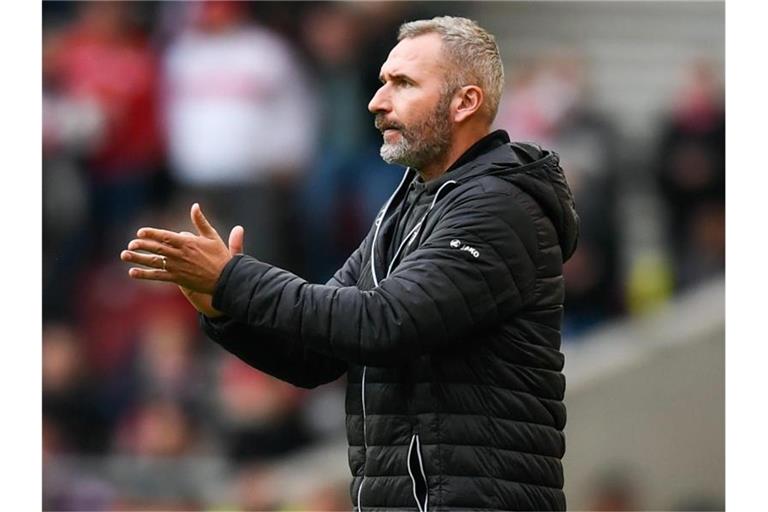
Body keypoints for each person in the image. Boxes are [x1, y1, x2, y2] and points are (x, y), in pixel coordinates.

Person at [121, 16, 579, 511]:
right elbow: (317, 354)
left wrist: (235, 278)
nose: (377, 102)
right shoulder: (404, 207)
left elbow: (385, 321)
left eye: (403, 84)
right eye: (382, 83)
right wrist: (220, 307)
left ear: (465, 102)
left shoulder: (499, 206)